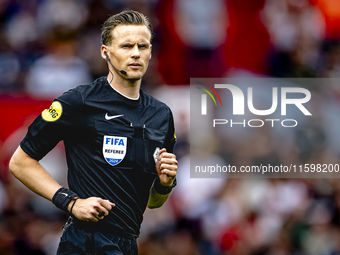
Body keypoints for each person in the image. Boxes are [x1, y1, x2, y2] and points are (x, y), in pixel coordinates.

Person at [9, 10, 178, 255]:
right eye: (126, 45)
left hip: (128, 244)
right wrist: (70, 202)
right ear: (105, 53)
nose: (135, 53)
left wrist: (165, 184)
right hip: (86, 241)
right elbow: (20, 162)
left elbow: (153, 201)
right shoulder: (80, 102)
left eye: (142, 46)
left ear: (150, 51)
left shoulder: (161, 115)